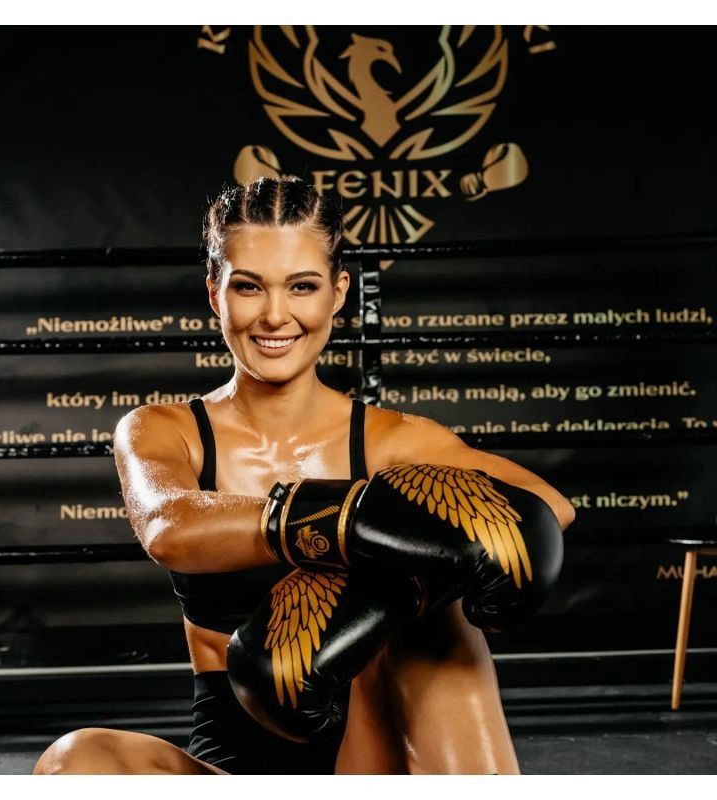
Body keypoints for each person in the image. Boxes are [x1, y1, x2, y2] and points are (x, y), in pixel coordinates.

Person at [33, 177, 575, 775]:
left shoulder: (390, 442)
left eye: (302, 286)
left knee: (432, 613)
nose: (275, 315)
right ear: (215, 292)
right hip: (234, 766)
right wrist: (349, 525)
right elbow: (168, 522)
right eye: (249, 286)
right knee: (75, 761)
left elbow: (545, 504)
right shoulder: (166, 430)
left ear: (337, 293)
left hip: (371, 754)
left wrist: (390, 591)